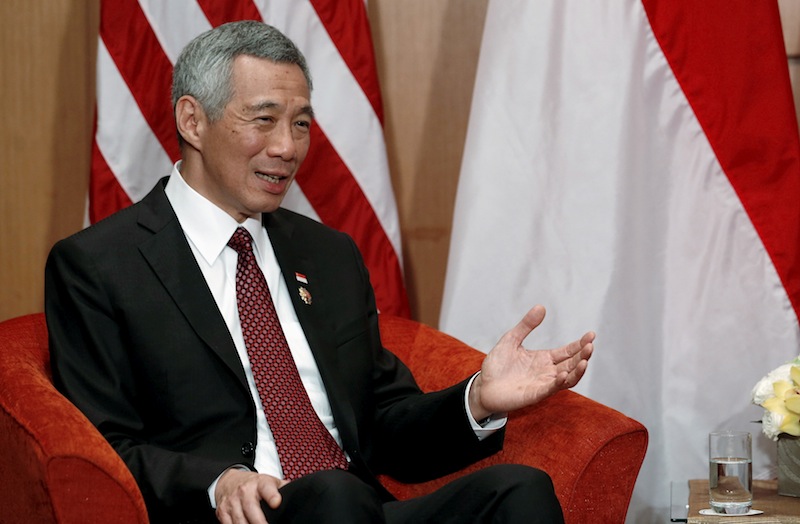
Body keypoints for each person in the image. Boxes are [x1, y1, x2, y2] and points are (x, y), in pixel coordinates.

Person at [45, 21, 594, 524]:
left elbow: (380, 421)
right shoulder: (100, 265)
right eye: (264, 120)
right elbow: (100, 446)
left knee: (520, 491)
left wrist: (477, 400)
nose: (287, 147)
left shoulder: (326, 254)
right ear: (193, 120)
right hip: (234, 515)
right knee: (335, 495)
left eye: (300, 123)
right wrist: (216, 482)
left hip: (354, 508)